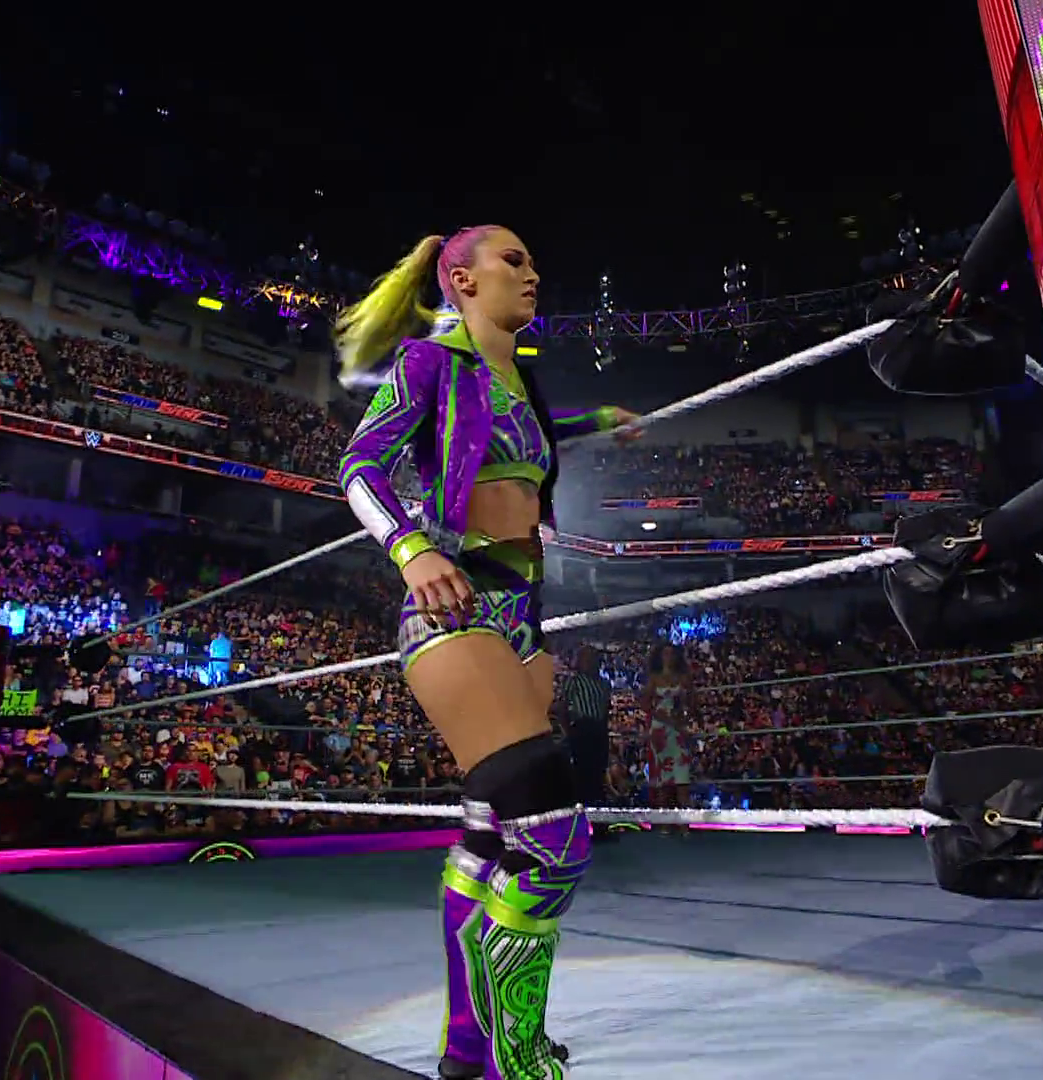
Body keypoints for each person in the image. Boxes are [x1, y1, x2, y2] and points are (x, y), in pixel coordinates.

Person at [335, 225, 639, 1080]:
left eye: (533, 260)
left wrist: (599, 420)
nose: (532, 272)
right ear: (462, 280)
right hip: (454, 603)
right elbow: (360, 465)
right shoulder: (430, 363)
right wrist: (409, 550)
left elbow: (528, 434)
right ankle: (514, 1055)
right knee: (553, 839)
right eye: (514, 260)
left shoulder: (521, 384)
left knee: (492, 833)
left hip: (522, 618)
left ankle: (466, 1049)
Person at [555, 646, 612, 836]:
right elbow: (562, 707)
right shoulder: (574, 681)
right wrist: (569, 731)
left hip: (599, 730)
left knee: (598, 777)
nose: (590, 662)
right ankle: (577, 827)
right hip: (582, 729)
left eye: (593, 658)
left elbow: (605, 708)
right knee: (582, 777)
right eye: (586, 658)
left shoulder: (604, 684)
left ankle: (600, 826)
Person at [643, 644, 694, 822]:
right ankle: (666, 823)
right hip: (661, 730)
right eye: (665, 653)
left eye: (671, 654)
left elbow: (693, 702)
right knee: (663, 780)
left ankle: (684, 824)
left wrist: (684, 718)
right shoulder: (654, 678)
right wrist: (662, 716)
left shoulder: (684, 678)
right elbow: (645, 704)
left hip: (678, 729)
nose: (668, 657)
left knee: (682, 778)